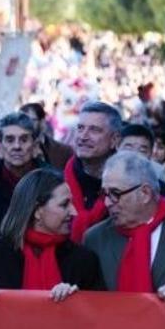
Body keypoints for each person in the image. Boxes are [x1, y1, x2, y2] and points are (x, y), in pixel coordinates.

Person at [83, 151, 165, 301]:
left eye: (115, 193)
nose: (107, 203)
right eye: (104, 194)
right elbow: (88, 300)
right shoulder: (95, 238)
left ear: (145, 193)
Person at [0, 168, 104, 297]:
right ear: (37, 211)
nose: (74, 212)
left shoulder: (83, 260)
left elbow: (97, 311)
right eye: (64, 204)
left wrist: (75, 300)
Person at [65, 101, 121, 242]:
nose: (83, 136)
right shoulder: (57, 183)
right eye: (80, 128)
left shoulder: (129, 188)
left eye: (94, 130)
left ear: (114, 140)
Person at [21, 102, 72, 169]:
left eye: (30, 120)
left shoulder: (64, 151)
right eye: (21, 121)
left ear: (42, 122)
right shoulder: (13, 150)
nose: (25, 125)